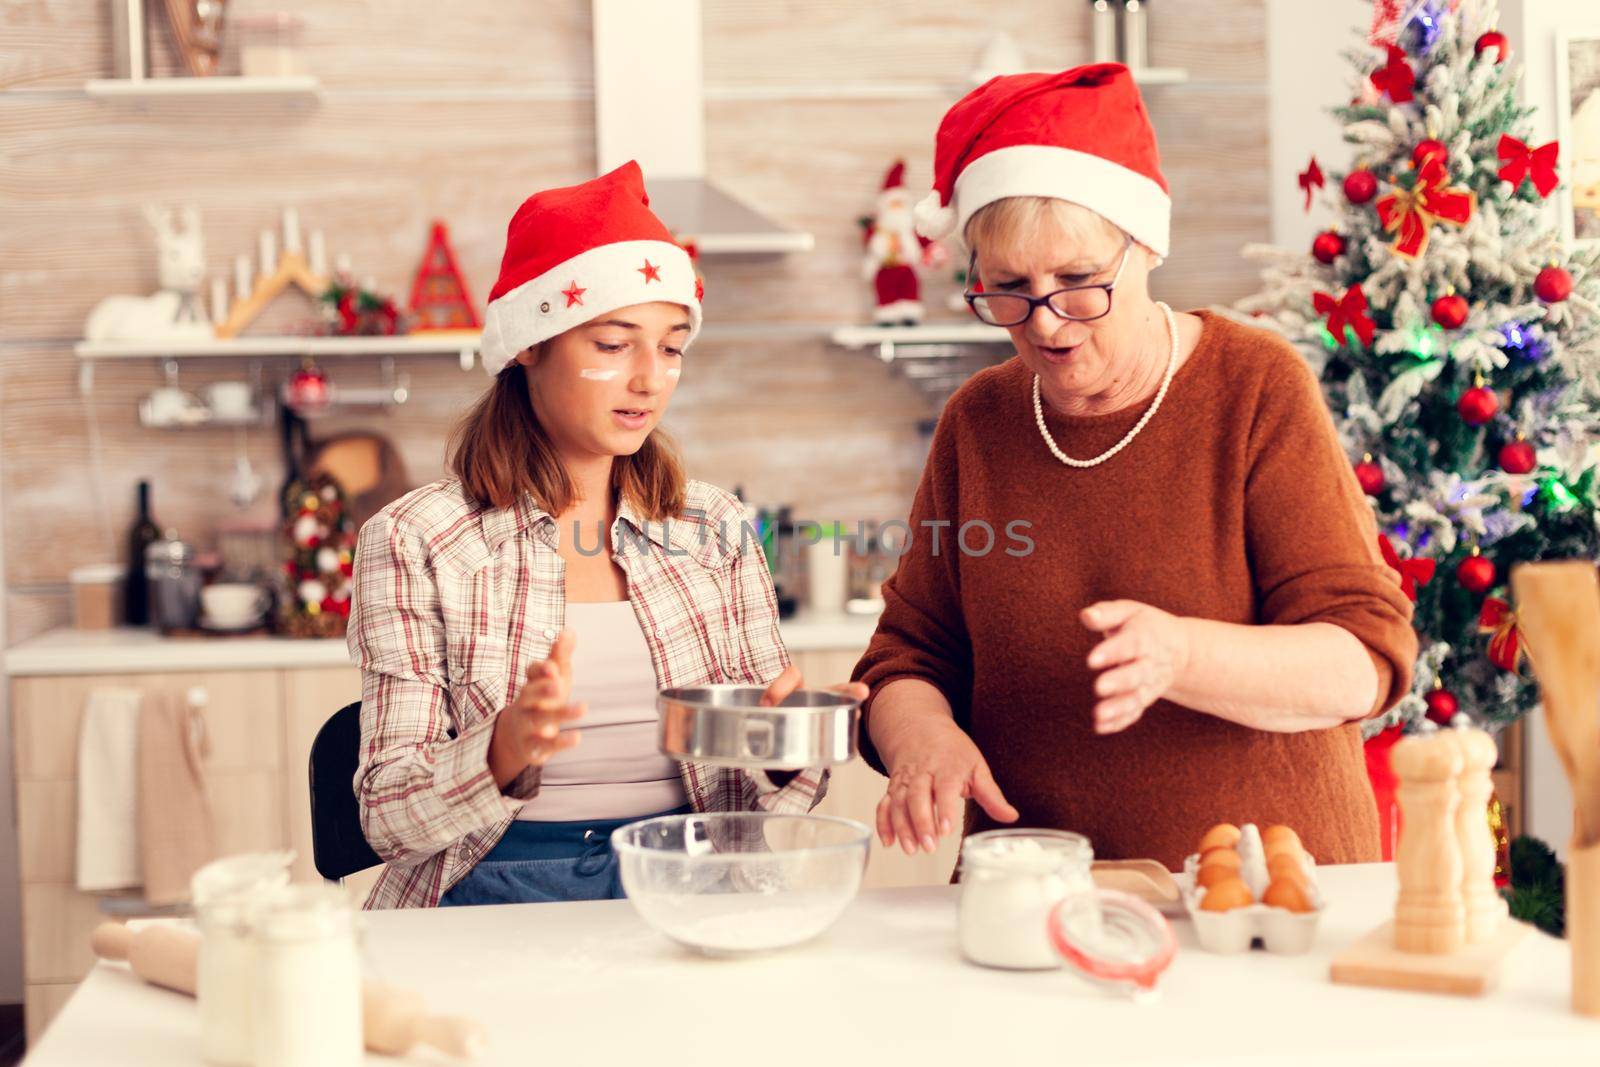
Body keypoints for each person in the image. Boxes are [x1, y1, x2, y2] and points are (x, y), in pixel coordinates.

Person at [854, 64, 1418, 870]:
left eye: (1080, 282)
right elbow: (905, 656)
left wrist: (1183, 656)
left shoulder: (1253, 387)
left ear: (1146, 243)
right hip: (1032, 898)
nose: (1047, 323)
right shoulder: (978, 422)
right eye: (1009, 289)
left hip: (1258, 901)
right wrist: (922, 738)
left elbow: (1364, 660)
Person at [349, 162, 864, 908]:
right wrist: (501, 750)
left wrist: (786, 746)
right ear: (530, 343)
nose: (651, 380)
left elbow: (770, 805)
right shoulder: (415, 540)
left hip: (693, 880)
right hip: (490, 888)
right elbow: (386, 816)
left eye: (672, 346)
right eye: (614, 344)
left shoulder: (715, 528)